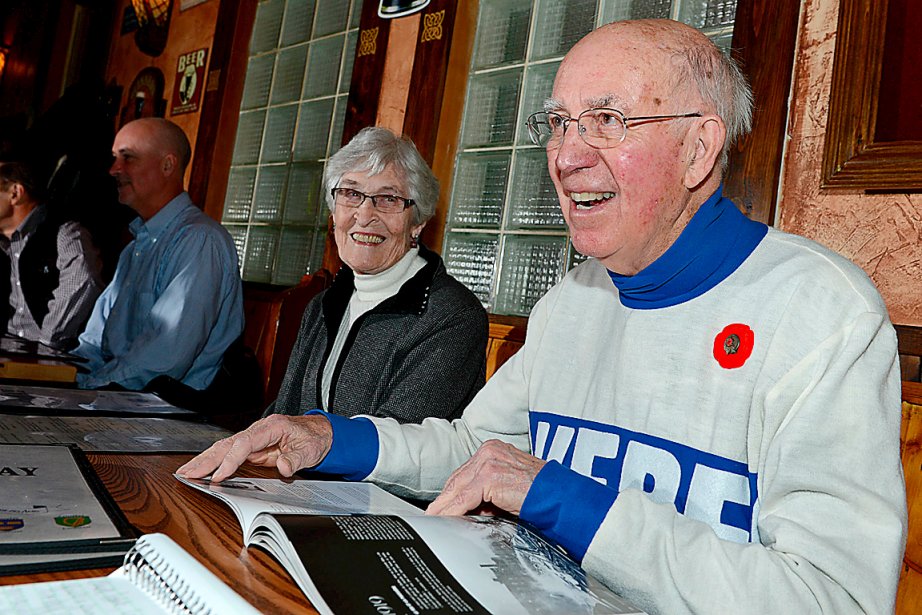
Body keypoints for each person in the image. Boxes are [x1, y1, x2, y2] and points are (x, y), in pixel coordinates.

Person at [180, 20, 907, 614]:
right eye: (558, 122)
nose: (565, 156)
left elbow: (833, 597)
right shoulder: (570, 301)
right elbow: (476, 448)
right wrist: (326, 436)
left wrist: (561, 495)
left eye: (607, 121)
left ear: (698, 148)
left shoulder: (823, 313)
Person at [267, 126, 487, 422]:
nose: (365, 215)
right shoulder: (322, 306)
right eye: (352, 193)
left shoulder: (453, 317)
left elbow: (398, 445)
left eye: (388, 199)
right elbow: (283, 413)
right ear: (334, 212)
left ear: (417, 222)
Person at [73, 118, 244, 391]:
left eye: (127, 158)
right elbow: (94, 343)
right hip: (115, 394)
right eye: (115, 158)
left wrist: (87, 388)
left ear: (167, 165)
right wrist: (66, 380)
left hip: (163, 410)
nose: (114, 169)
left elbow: (162, 361)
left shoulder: (198, 241)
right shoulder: (135, 248)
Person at [0, 160, 103, 349]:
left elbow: (83, 280)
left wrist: (46, 347)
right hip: (11, 352)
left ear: (15, 193)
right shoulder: (5, 244)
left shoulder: (64, 231)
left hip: (52, 361)